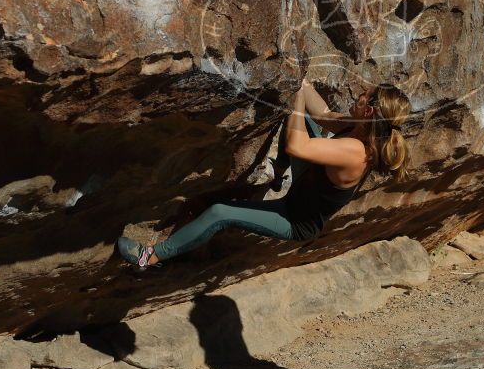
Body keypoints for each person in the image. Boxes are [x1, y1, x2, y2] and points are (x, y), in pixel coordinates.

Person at [117, 79, 411, 268]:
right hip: (302, 187)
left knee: (220, 212)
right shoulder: (357, 128)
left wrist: (295, 101)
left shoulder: (356, 151)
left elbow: (298, 145)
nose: (358, 94)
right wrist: (301, 81)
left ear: (370, 112)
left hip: (293, 219)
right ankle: (278, 172)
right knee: (307, 122)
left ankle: (151, 256)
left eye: (364, 95)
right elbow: (321, 113)